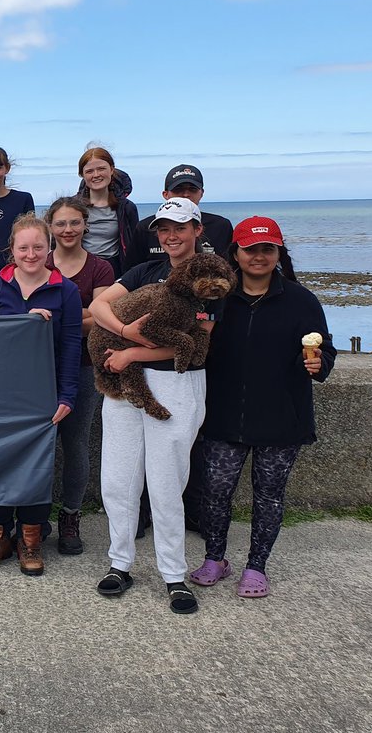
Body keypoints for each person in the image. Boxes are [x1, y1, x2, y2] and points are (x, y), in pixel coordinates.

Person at [89, 197, 222, 614]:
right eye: (164, 229)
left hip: (176, 384)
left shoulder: (209, 275)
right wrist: (126, 330)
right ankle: (120, 562)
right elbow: (97, 305)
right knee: (117, 479)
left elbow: (200, 345)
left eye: (179, 228)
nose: (170, 236)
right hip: (125, 389)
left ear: (197, 230)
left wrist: (131, 353)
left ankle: (173, 574)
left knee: (166, 484)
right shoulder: (144, 270)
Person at [190, 217, 335, 598]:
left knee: (269, 495)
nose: (258, 256)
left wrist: (320, 363)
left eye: (267, 249)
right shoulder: (215, 298)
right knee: (215, 491)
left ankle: (257, 566)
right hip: (222, 415)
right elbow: (195, 347)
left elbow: (325, 351)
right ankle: (215, 557)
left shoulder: (301, 299)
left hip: (281, 418)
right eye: (250, 249)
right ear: (234, 253)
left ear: (278, 253)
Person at [0, 213, 82, 575]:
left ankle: (30, 538)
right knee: (0, 464)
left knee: (36, 467)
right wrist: (25, 322)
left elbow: (70, 346)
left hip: (42, 392)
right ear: (11, 250)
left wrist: (67, 395)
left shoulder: (65, 289)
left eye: (38, 247)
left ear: (49, 248)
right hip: (0, 391)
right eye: (24, 247)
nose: (31, 254)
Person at [45, 197, 115, 554]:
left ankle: (70, 515)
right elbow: (22, 315)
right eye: (60, 223)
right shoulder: (36, 261)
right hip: (36, 370)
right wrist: (78, 314)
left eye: (74, 223)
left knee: (75, 445)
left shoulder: (100, 269)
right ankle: (36, 514)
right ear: (50, 227)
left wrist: (53, 320)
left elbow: (101, 320)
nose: (68, 230)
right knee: (37, 446)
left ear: (85, 225)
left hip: (84, 368)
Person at [124, 164, 233, 268]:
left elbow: (231, 267)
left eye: (192, 189)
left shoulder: (221, 226)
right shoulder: (146, 226)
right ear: (165, 194)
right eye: (178, 189)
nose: (186, 194)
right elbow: (131, 268)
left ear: (201, 193)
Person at [74, 146, 139, 277]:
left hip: (114, 269)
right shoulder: (72, 207)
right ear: (82, 175)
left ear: (112, 169)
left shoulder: (126, 208)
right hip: (78, 268)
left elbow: (134, 246)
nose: (96, 175)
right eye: (90, 171)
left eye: (101, 169)